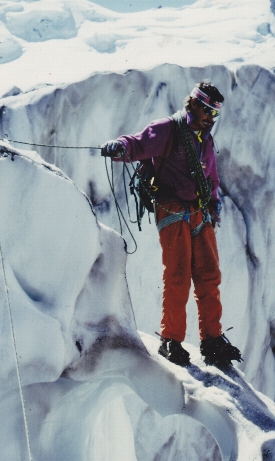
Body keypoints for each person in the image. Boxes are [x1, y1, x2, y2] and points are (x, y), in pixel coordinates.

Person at [101, 81, 242, 370]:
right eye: (205, 109)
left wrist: (213, 207)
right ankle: (171, 341)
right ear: (192, 103)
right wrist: (119, 148)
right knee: (178, 275)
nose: (209, 117)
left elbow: (212, 179)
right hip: (172, 209)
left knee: (209, 276)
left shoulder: (205, 140)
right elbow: (139, 143)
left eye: (213, 113)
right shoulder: (167, 128)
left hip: (199, 212)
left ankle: (212, 340)